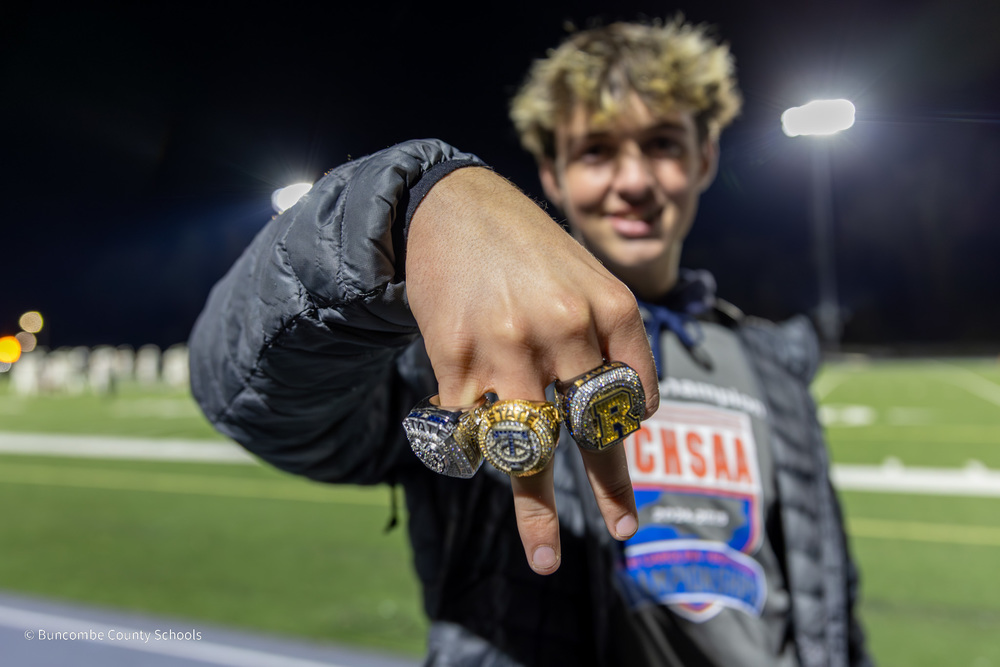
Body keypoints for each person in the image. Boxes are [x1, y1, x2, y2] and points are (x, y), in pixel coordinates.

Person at [189, 17, 870, 667]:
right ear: (550, 174)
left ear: (704, 158)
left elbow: (825, 599)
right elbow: (244, 392)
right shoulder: (453, 351)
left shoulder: (773, 364)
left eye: (663, 143)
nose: (633, 181)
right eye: (597, 150)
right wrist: (403, 206)